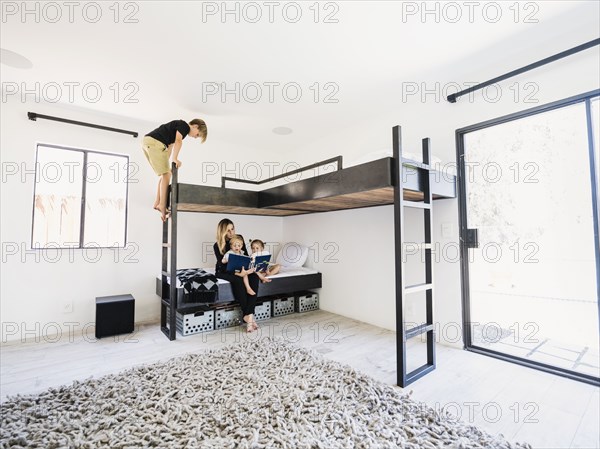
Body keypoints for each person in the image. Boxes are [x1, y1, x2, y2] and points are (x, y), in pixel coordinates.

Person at [142, 119, 207, 221]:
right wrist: (175, 158)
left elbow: (170, 146)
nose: (195, 137)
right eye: (197, 135)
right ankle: (162, 205)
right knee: (166, 175)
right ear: (195, 126)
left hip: (149, 143)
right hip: (154, 143)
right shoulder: (184, 126)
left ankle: (157, 202)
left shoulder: (175, 129)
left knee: (166, 174)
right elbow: (178, 141)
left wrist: (167, 163)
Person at [213, 219, 260, 332]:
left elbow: (245, 257)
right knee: (238, 280)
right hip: (224, 271)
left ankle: (248, 316)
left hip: (241, 269)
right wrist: (239, 273)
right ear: (222, 232)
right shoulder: (217, 245)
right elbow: (222, 265)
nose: (231, 232)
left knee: (254, 277)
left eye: (232, 229)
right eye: (228, 230)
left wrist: (247, 270)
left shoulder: (239, 238)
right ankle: (249, 316)